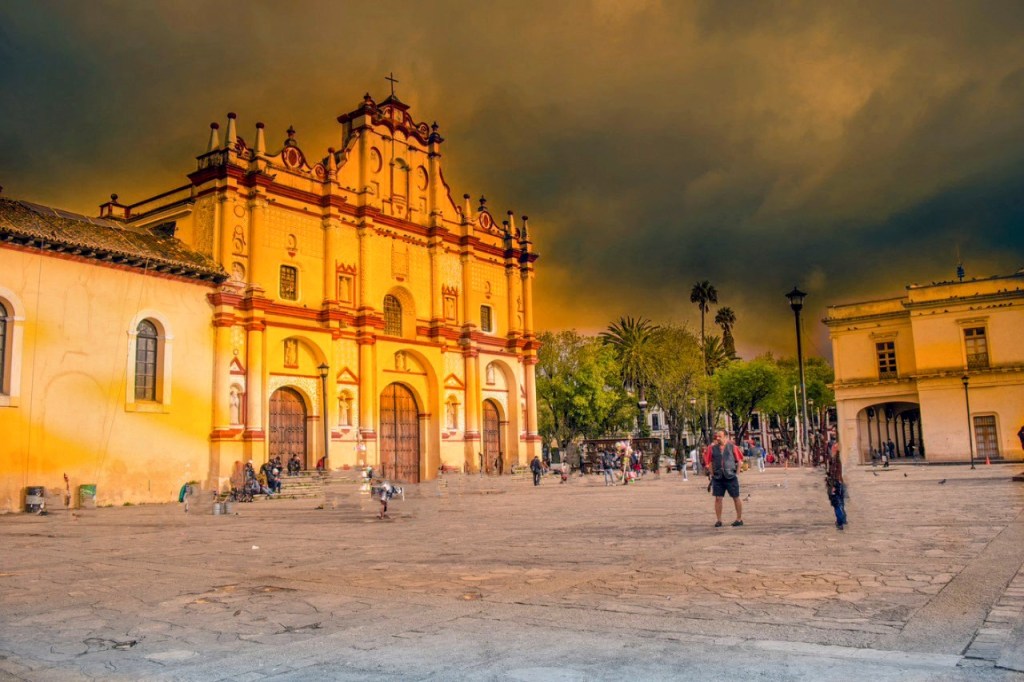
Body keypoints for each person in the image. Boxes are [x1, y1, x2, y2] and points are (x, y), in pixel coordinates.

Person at [703, 430, 744, 528]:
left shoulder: (733, 447)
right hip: (718, 477)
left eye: (719, 436)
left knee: (736, 497)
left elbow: (740, 461)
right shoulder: (712, 448)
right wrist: (712, 474)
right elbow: (709, 462)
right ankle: (719, 520)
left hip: (731, 476)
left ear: (725, 436)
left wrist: (737, 474)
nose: (717, 438)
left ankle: (739, 519)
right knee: (718, 498)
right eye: (716, 436)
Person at [825, 442, 847, 530]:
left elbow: (833, 473)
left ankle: (840, 521)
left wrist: (831, 485)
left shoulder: (833, 459)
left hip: (834, 483)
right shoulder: (838, 458)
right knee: (840, 502)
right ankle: (843, 519)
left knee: (836, 503)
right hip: (840, 482)